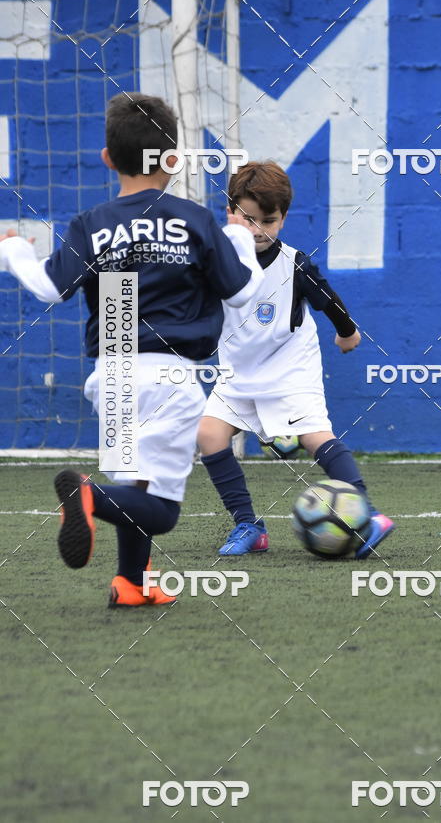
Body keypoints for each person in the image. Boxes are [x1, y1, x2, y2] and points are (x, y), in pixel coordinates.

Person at [0, 93, 263, 606]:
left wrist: (12, 251)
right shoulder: (195, 220)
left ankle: (131, 583)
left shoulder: (92, 222)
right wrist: (239, 242)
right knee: (161, 510)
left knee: (136, 484)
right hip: (168, 372)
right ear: (173, 159)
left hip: (114, 364)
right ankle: (87, 495)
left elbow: (50, 288)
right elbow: (241, 293)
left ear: (107, 158)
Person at [197, 161, 395, 556]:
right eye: (248, 219)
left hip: (290, 370)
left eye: (268, 221)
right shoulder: (213, 262)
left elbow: (329, 301)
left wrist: (347, 333)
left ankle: (367, 515)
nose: (257, 230)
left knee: (314, 436)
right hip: (237, 373)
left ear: (283, 218)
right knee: (209, 436)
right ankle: (248, 525)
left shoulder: (294, 264)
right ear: (231, 213)